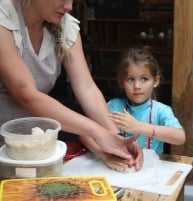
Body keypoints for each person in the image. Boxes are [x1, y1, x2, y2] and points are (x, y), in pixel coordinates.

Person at [0, 0, 142, 171]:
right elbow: (26, 95)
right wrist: (98, 132)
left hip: (32, 147)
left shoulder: (64, 26)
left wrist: (117, 138)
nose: (69, 6)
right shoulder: (4, 17)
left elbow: (86, 89)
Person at [107, 47, 186, 154]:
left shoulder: (161, 110)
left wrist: (138, 126)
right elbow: (89, 134)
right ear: (121, 82)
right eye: (130, 79)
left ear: (155, 81)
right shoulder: (114, 106)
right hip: (121, 164)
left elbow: (180, 137)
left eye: (144, 79)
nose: (137, 86)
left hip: (152, 168)